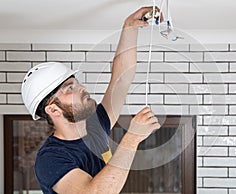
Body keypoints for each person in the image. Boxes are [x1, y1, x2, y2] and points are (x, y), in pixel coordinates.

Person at [21, 6, 161, 194]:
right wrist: (133, 137)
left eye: (77, 84)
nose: (83, 89)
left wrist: (129, 27)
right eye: (70, 88)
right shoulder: (51, 158)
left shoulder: (95, 126)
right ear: (53, 109)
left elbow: (121, 80)